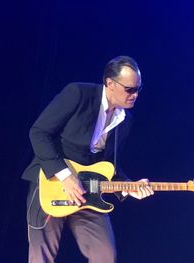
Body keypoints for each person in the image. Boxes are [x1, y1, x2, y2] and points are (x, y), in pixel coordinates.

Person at [22, 56, 154, 263]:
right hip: (53, 182)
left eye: (138, 89)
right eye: (129, 89)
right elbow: (39, 133)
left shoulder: (125, 120)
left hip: (89, 192)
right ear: (110, 83)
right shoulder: (79, 94)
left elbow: (109, 166)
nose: (135, 95)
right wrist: (65, 175)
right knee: (42, 256)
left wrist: (129, 187)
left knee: (105, 255)